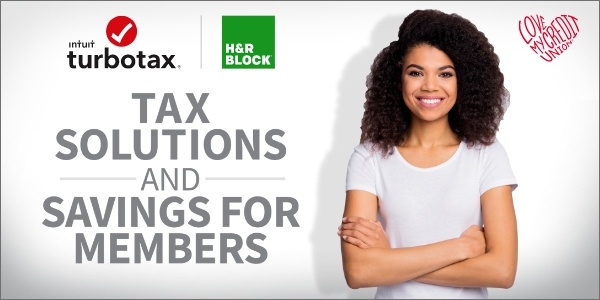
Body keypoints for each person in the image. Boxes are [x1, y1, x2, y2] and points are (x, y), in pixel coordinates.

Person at [338, 9, 518, 299]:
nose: (430, 85)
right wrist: (460, 248)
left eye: (445, 73)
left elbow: (502, 271)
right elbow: (359, 272)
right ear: (398, 80)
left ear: (465, 82)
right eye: (416, 72)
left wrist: (390, 259)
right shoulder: (368, 157)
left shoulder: (487, 155)